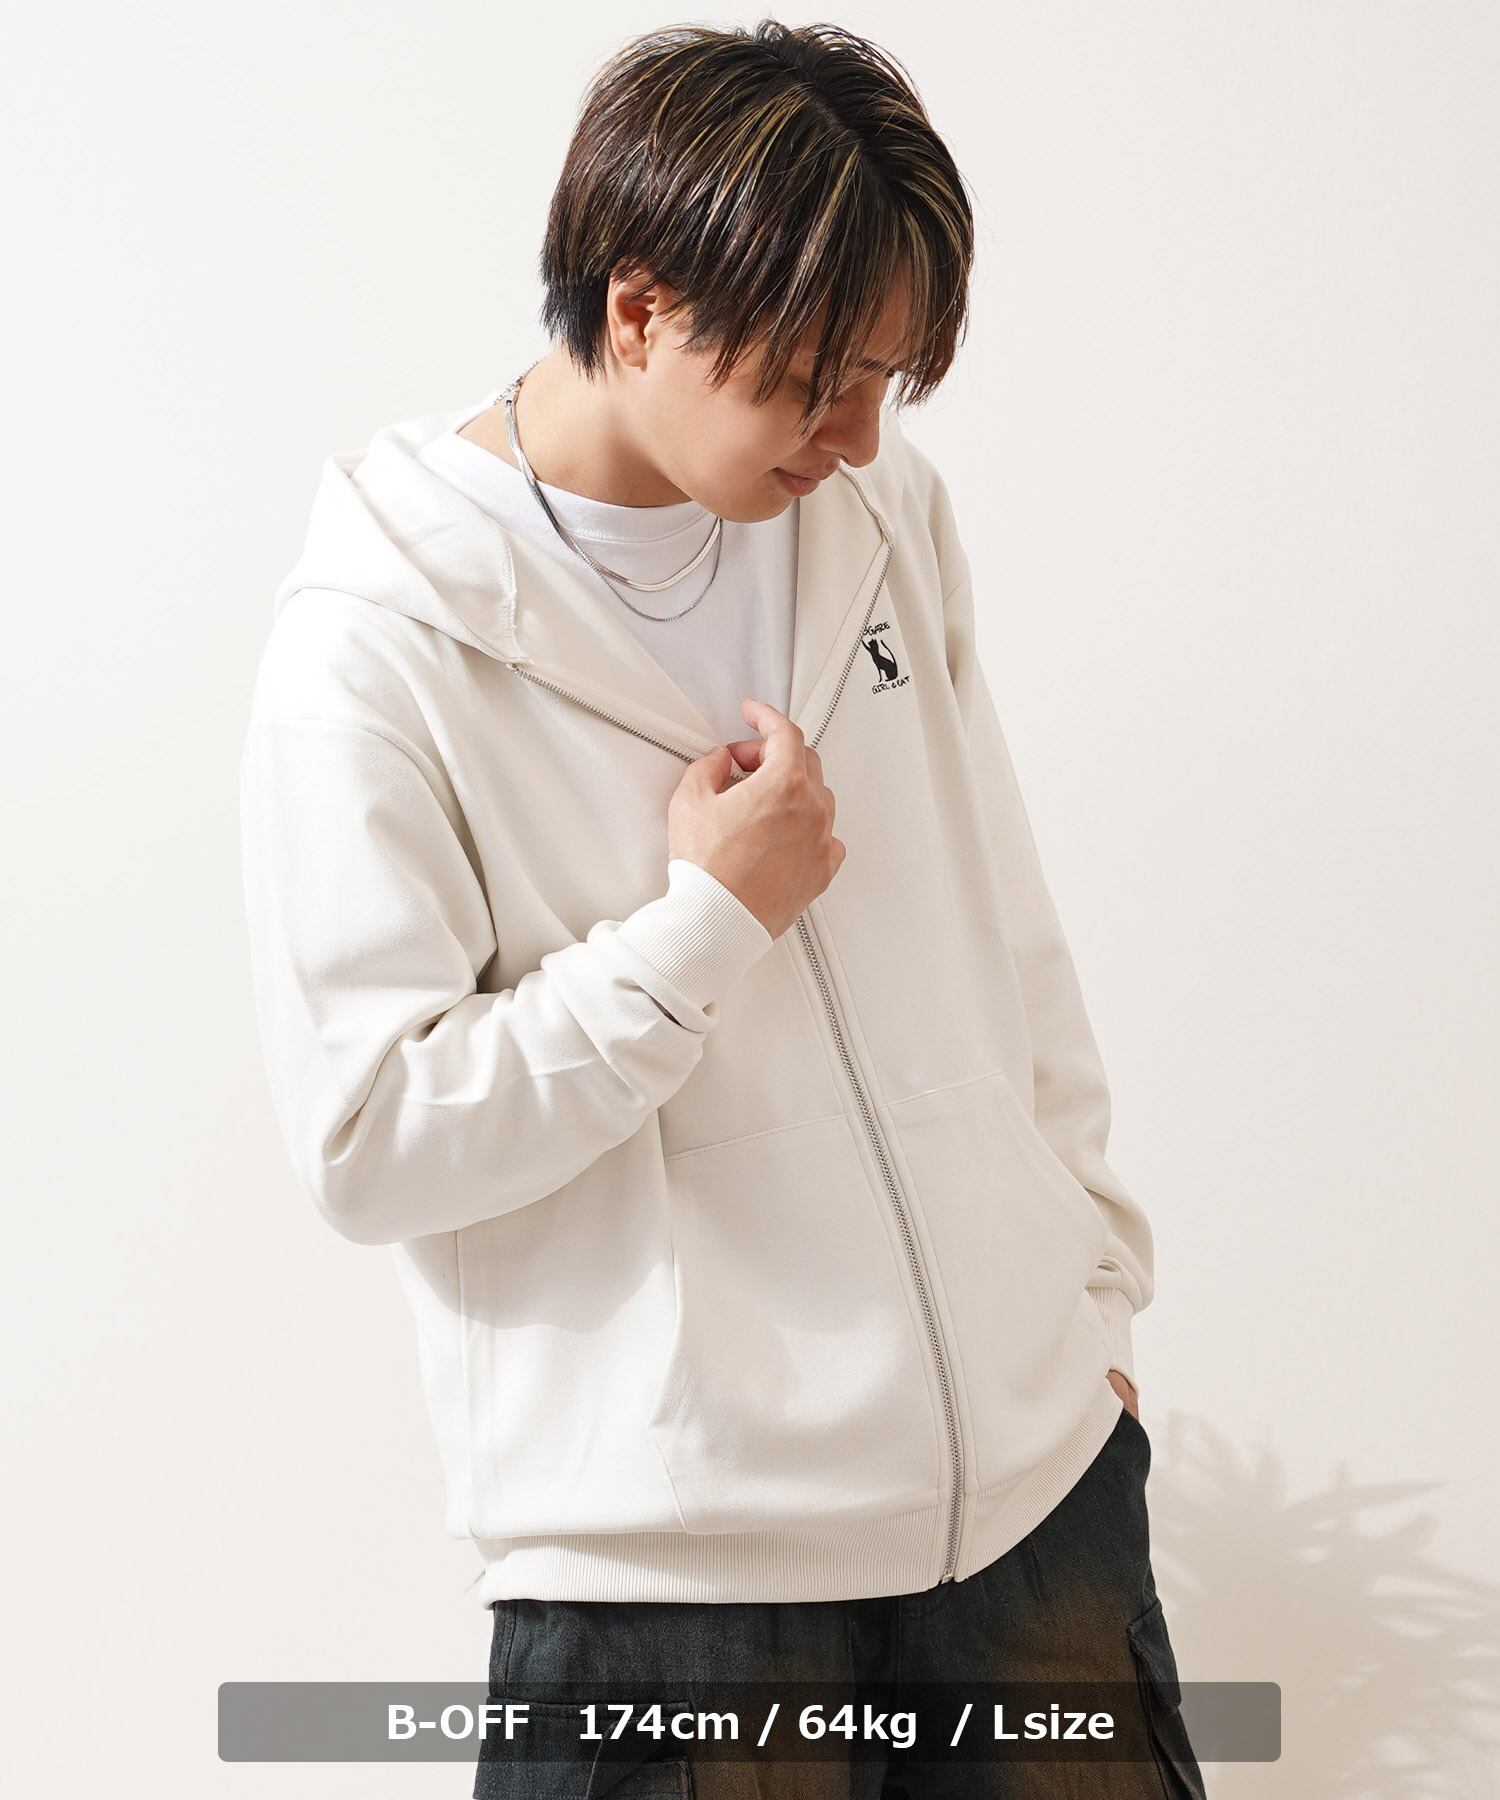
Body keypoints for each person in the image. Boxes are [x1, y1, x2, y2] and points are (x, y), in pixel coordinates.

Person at [239, 19, 1207, 1798]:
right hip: (681, 1592)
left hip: (1040, 1506)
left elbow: (1005, 919)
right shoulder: (378, 649)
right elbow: (371, 1142)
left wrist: (1094, 1299)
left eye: (889, 378)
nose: (858, 435)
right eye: (818, 382)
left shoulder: (881, 512)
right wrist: (702, 929)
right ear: (640, 311)